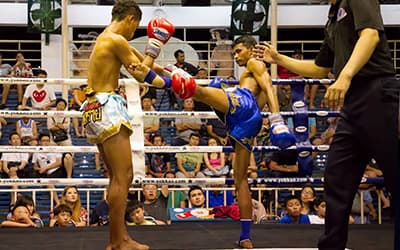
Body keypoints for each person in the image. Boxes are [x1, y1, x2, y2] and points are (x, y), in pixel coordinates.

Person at [254, 0, 400, 248]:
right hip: (352, 106)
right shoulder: (332, 17)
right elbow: (320, 68)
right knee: (336, 179)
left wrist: (344, 76)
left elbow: (371, 35)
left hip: (379, 94)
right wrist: (278, 58)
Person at [131, 35, 295, 248]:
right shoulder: (248, 74)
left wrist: (276, 118)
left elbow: (268, 84)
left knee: (197, 90)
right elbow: (264, 89)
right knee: (240, 180)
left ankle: (157, 70)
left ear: (252, 49)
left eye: (239, 51)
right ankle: (245, 236)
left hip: (243, 106)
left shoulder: (255, 62)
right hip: (243, 123)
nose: (236, 56)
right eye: (234, 53)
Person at [81, 0, 174, 248]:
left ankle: (119, 238)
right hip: (106, 105)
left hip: (95, 107)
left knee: (117, 177)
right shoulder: (116, 40)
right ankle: (118, 241)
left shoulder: (107, 38)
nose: (134, 32)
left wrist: (171, 72)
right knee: (124, 176)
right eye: (136, 27)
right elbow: (141, 74)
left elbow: (142, 62)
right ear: (131, 19)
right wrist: (171, 84)